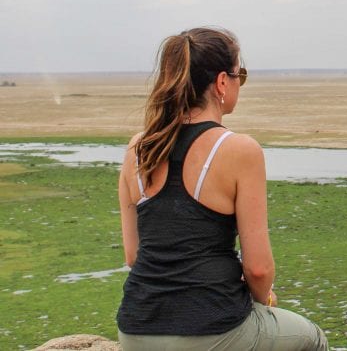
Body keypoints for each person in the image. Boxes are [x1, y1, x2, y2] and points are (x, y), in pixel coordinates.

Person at [116, 27, 327, 351]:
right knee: (312, 338)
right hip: (212, 330)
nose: (239, 82)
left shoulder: (137, 149)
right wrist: (261, 301)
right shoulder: (240, 150)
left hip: (134, 331)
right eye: (239, 73)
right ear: (221, 83)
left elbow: (134, 256)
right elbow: (258, 269)